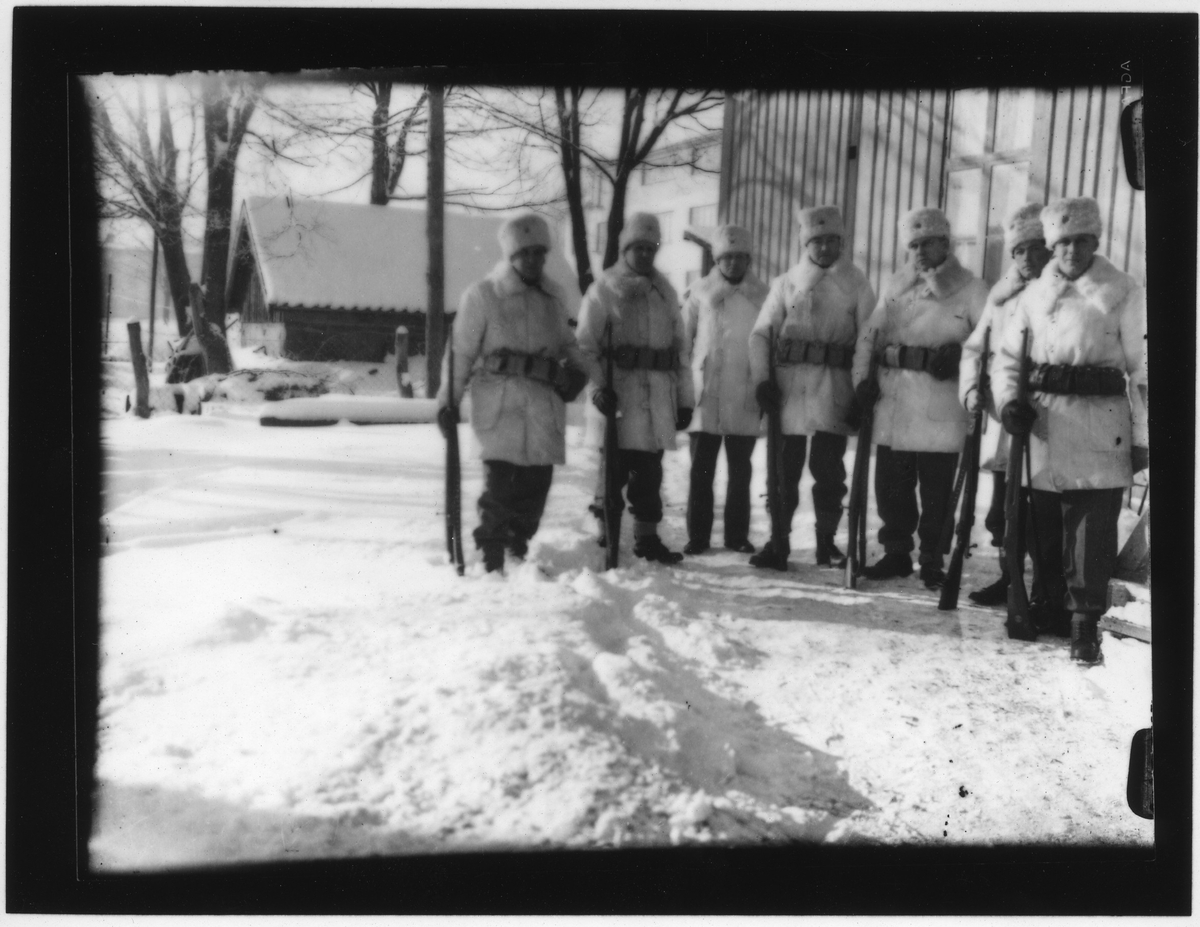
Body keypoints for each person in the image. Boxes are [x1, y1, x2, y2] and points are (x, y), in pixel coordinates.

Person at [992, 196, 1147, 664]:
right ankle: (1046, 604)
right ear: (1051, 245)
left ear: (1096, 242)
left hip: (1100, 424)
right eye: (1063, 243)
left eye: (1082, 242)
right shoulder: (1034, 295)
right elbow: (1005, 361)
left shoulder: (1121, 291)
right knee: (1043, 525)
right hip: (1042, 425)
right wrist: (1008, 404)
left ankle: (1084, 622)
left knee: (1090, 530)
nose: (1072, 252)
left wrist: (1142, 440)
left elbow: (1144, 374)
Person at [436, 212, 592, 573]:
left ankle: (516, 549)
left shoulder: (553, 298)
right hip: (499, 407)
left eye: (540, 253)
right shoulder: (483, 296)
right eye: (526, 253)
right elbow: (461, 352)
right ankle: (491, 555)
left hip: (542, 406)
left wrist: (587, 372)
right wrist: (449, 400)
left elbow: (569, 346)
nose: (534, 260)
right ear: (511, 256)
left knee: (535, 489)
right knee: (500, 489)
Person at [851, 206, 989, 587]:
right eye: (914, 245)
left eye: (929, 243)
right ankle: (896, 552)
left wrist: (962, 355)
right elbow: (869, 338)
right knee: (892, 487)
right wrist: (862, 380)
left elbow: (990, 343)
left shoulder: (972, 290)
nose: (921, 252)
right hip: (894, 402)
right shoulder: (896, 289)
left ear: (946, 243)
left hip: (939, 405)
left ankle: (932, 557)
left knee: (936, 490)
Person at [747, 205, 876, 570]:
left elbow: (867, 340)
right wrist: (762, 381)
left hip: (833, 389)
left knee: (829, 472)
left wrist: (861, 387)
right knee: (781, 471)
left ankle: (826, 542)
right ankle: (779, 541)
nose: (824, 248)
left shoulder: (857, 284)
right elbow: (760, 335)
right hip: (788, 391)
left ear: (841, 243)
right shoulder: (785, 283)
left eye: (832, 240)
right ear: (805, 244)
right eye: (817, 241)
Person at [577, 212, 694, 565]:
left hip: (656, 398)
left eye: (650, 248)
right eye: (637, 248)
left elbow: (680, 353)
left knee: (650, 473)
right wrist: (598, 388)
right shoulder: (604, 290)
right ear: (626, 248)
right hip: (617, 397)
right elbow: (584, 346)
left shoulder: (665, 293)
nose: (644, 255)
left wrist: (684, 401)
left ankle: (646, 538)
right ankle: (605, 533)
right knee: (611, 472)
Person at [958, 203, 1052, 607]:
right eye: (1019, 250)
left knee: (1041, 513)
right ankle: (1009, 577)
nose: (1028, 258)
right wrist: (970, 391)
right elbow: (973, 350)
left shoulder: (1059, 292)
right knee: (1004, 512)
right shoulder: (1001, 299)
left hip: (1048, 420)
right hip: (1004, 420)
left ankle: (1046, 589)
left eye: (1036, 248)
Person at [680, 225, 769, 555]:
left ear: (748, 259)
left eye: (739, 257)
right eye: (726, 257)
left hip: (744, 394)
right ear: (717, 259)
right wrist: (685, 389)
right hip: (707, 395)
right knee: (701, 472)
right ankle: (698, 536)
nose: (733, 263)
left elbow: (770, 341)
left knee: (740, 472)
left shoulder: (763, 296)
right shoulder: (699, 293)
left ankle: (737, 535)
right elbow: (683, 343)